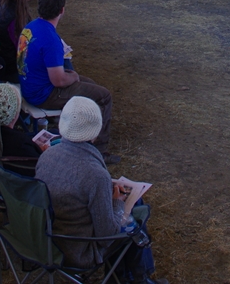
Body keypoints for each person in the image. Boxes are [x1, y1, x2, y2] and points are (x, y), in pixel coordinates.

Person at [35, 97, 162, 283]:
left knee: (135, 206)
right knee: (135, 218)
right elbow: (106, 237)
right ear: (96, 131)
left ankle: (128, 277)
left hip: (44, 238)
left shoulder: (47, 155)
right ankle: (140, 279)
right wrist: (116, 202)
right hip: (77, 250)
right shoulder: (95, 175)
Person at [18, 0, 119, 163]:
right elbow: (58, 80)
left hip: (30, 85)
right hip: (43, 94)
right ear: (62, 10)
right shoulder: (50, 38)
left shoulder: (31, 26)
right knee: (104, 96)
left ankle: (82, 133)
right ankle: (99, 151)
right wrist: (73, 76)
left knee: (93, 86)